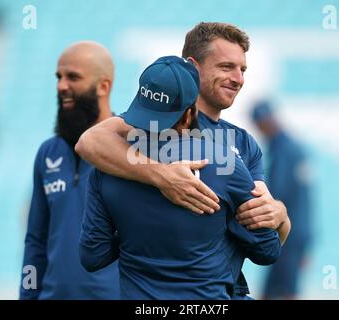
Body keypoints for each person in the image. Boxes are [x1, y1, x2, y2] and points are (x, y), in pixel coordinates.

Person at [75, 22, 291, 298]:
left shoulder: (244, 144)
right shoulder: (141, 128)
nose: (238, 78)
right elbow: (89, 141)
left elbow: (262, 225)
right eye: (226, 67)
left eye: (243, 69)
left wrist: (281, 215)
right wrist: (161, 176)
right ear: (194, 66)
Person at [19, 41, 120, 299]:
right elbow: (35, 242)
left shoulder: (132, 149)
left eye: (73, 77)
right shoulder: (47, 154)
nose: (61, 86)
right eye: (59, 77)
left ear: (103, 86)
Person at [251, 101, 312, 300]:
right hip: (297, 230)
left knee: (284, 290)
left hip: (288, 232)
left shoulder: (282, 151)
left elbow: (276, 194)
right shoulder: (294, 147)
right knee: (277, 288)